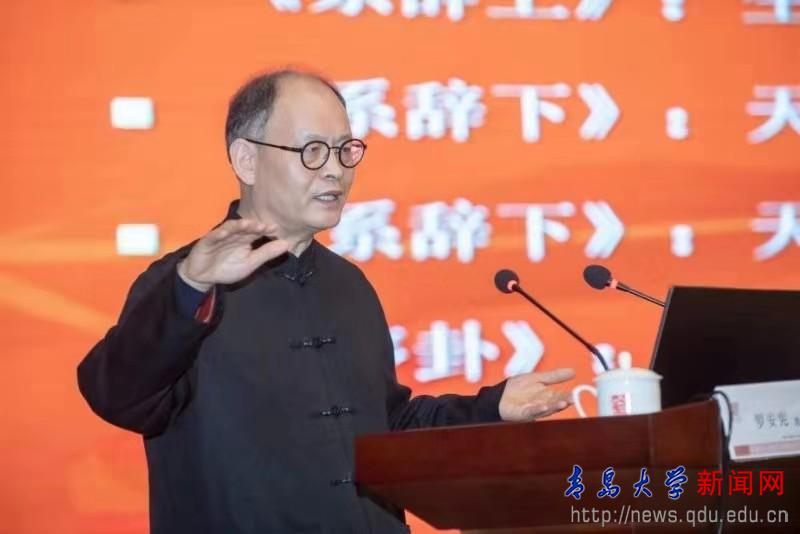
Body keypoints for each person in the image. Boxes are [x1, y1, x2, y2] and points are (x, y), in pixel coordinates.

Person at [77, 68, 576, 534]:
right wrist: (190, 286)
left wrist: (490, 408)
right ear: (246, 159)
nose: (335, 170)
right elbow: (117, 396)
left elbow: (384, 427)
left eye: (345, 150)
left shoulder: (350, 285)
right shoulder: (183, 284)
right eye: (312, 150)